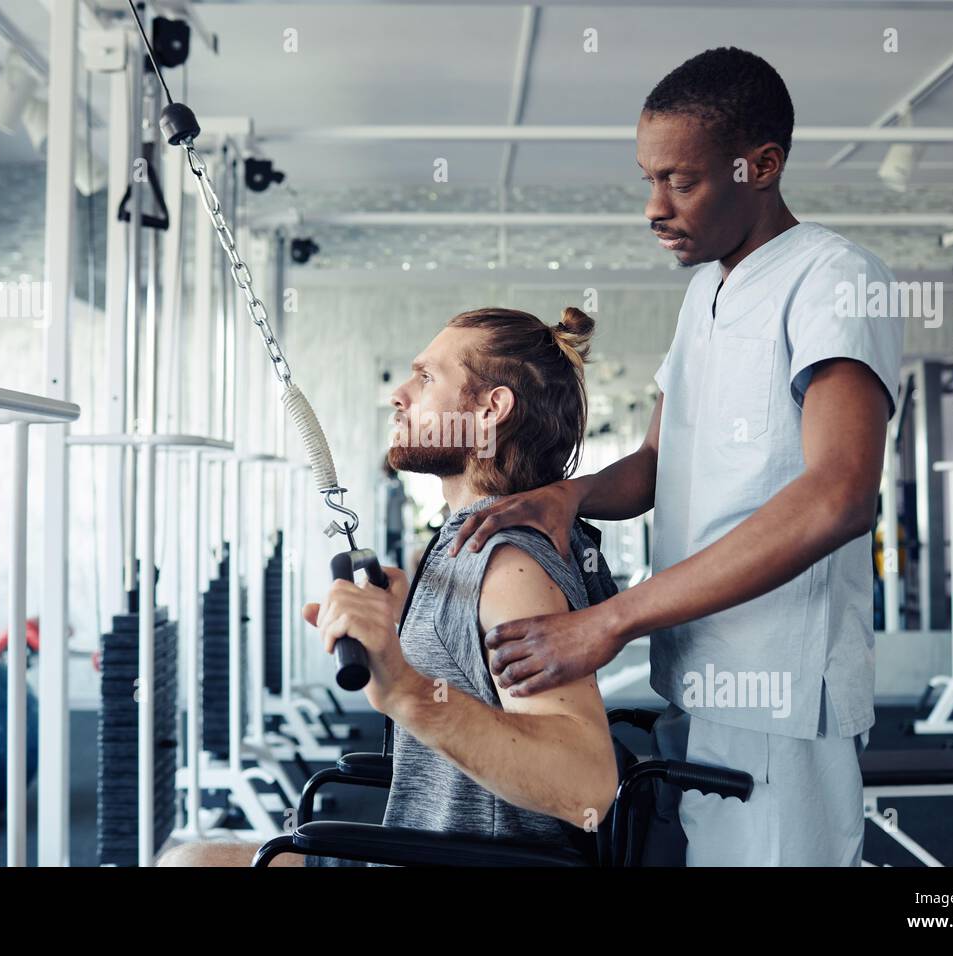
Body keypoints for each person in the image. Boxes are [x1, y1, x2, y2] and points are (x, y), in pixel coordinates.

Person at [450, 47, 905, 866]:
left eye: (681, 182)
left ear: (760, 166)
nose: (654, 208)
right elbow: (660, 460)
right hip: (697, 673)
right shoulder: (705, 293)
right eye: (648, 179)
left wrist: (608, 621)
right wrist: (570, 495)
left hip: (780, 690)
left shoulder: (833, 278)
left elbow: (840, 495)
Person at [160, 305, 619, 867]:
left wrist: (405, 688)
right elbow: (475, 669)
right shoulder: (468, 538)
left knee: (188, 864)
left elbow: (586, 785)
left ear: (490, 409)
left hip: (463, 861)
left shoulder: (509, 564)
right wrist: (412, 623)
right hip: (420, 844)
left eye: (425, 378)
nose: (399, 395)